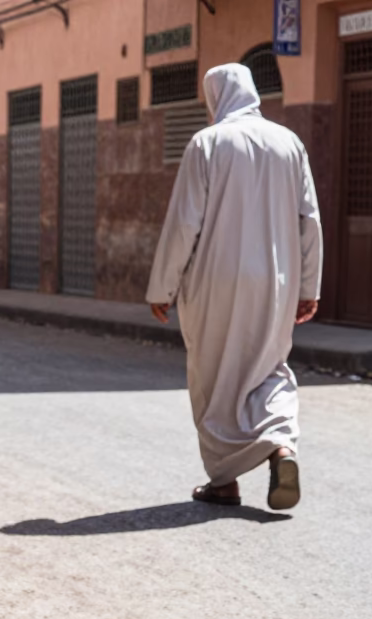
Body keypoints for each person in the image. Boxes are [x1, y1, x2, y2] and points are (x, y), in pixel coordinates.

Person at [146, 64, 322, 511]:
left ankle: (223, 481)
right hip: (277, 283)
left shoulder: (207, 143)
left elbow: (184, 223)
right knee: (270, 366)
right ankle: (281, 446)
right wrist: (309, 285)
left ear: (215, 97)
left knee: (214, 376)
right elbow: (310, 222)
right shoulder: (290, 143)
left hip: (214, 281)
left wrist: (161, 287)